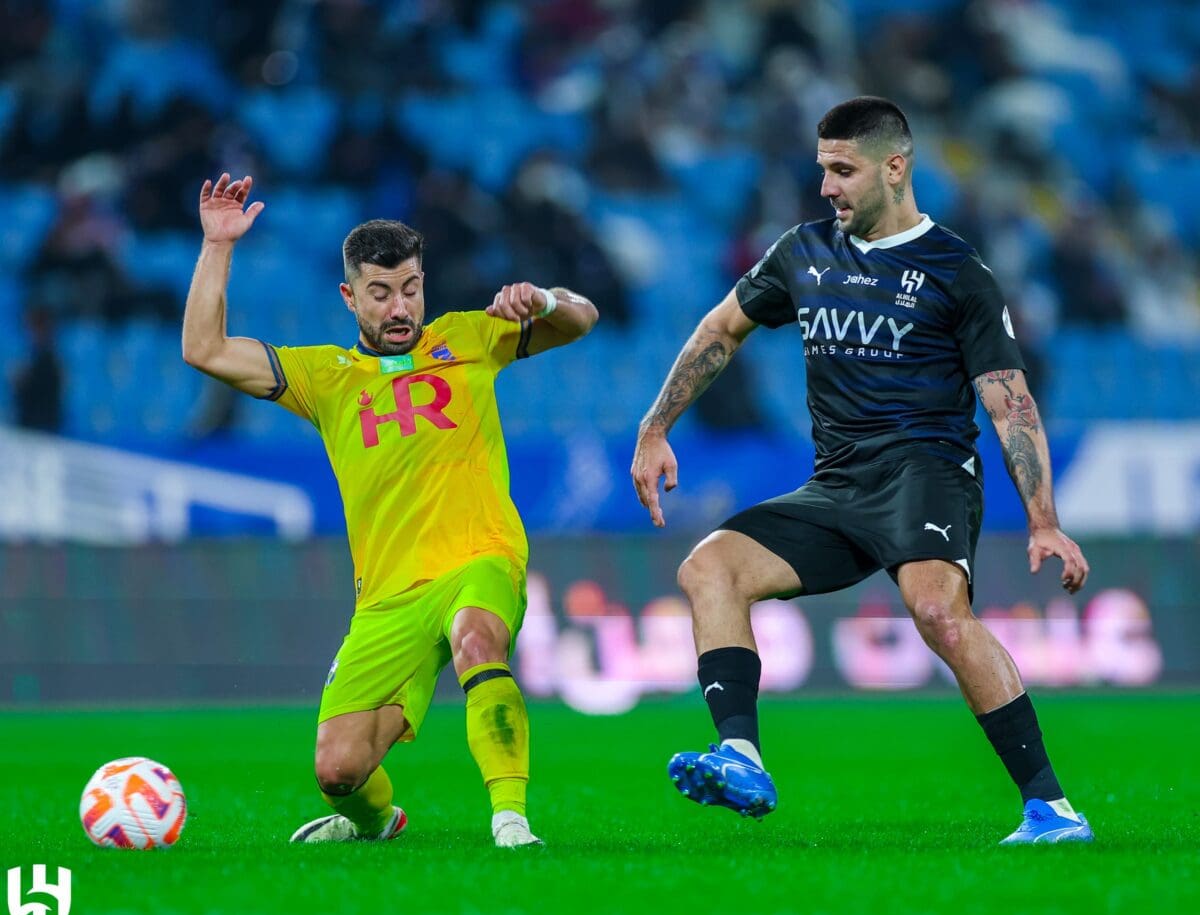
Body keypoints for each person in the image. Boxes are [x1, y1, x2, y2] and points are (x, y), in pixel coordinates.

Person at [630, 97, 1093, 845]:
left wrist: (1044, 521)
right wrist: (656, 426)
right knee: (709, 569)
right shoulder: (803, 253)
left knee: (938, 611)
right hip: (838, 484)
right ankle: (742, 757)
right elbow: (722, 328)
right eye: (822, 171)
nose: (827, 188)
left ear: (895, 167)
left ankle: (1051, 808)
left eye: (843, 171)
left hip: (926, 471)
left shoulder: (957, 271)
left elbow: (1010, 404)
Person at [182, 173, 598, 848]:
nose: (400, 305)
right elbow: (203, 350)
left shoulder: (471, 337)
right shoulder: (324, 378)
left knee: (477, 638)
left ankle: (511, 819)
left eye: (410, 287)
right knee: (338, 770)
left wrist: (545, 297)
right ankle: (377, 823)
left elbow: (583, 319)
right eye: (380, 292)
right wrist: (217, 244)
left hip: (479, 556)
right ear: (350, 297)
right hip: (387, 599)